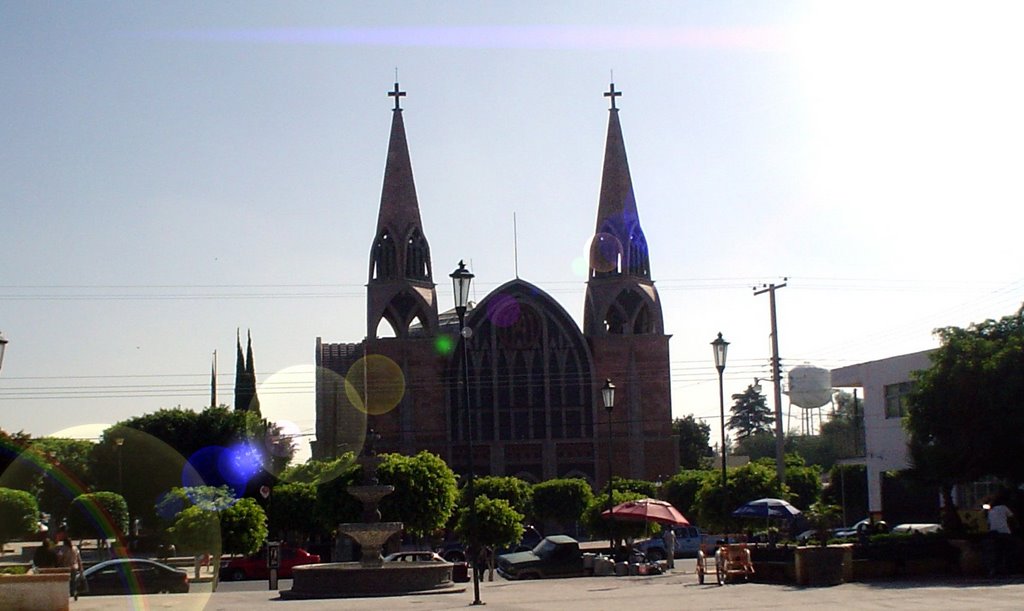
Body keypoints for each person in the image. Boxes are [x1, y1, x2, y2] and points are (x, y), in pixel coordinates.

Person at [986, 494, 1016, 577]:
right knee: (1007, 551)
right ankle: (1007, 569)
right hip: (1005, 532)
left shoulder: (990, 510)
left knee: (996, 552)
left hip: (993, 533)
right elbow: (1011, 518)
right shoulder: (1004, 508)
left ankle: (994, 570)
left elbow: (989, 523)